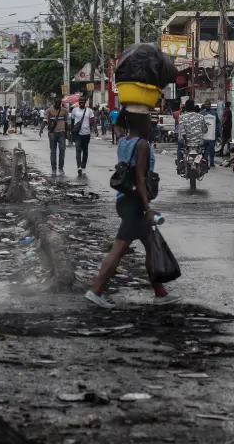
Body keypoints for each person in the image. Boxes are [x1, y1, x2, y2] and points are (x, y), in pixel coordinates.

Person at [85, 106, 180, 308]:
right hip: (135, 203)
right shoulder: (142, 144)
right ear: (140, 124)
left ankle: (160, 293)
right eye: (147, 120)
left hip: (124, 199)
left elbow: (119, 125)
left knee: (150, 246)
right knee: (119, 248)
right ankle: (96, 290)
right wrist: (147, 209)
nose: (150, 123)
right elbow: (140, 178)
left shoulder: (123, 141)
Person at [39, 98, 69, 173]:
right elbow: (45, 120)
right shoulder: (48, 110)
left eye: (59, 102)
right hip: (52, 133)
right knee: (53, 151)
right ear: (54, 102)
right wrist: (41, 129)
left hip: (62, 132)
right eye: (57, 102)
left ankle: (61, 168)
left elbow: (66, 122)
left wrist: (68, 132)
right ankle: (54, 168)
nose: (58, 104)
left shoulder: (64, 110)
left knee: (62, 150)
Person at [69, 97, 97, 175]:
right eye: (80, 101)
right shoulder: (74, 110)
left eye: (83, 101)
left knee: (85, 150)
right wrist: (71, 131)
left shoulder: (89, 110)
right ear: (78, 102)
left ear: (85, 102)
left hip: (86, 133)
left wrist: (96, 130)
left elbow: (92, 121)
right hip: (77, 133)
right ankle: (79, 167)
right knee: (78, 150)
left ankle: (83, 166)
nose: (81, 102)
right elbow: (72, 121)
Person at [177, 104, 207, 172]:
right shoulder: (201, 116)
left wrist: (186, 141)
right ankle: (205, 162)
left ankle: (179, 165)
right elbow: (205, 130)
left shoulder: (182, 117)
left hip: (187, 142)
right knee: (207, 145)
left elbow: (182, 131)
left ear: (186, 108)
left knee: (179, 145)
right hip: (199, 142)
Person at [201, 102, 220, 167]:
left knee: (212, 149)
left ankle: (211, 162)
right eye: (206, 104)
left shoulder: (214, 113)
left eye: (208, 104)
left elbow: (218, 123)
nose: (207, 105)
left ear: (210, 105)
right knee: (204, 149)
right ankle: (204, 161)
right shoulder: (201, 113)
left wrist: (218, 131)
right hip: (204, 135)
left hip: (212, 134)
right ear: (204, 105)